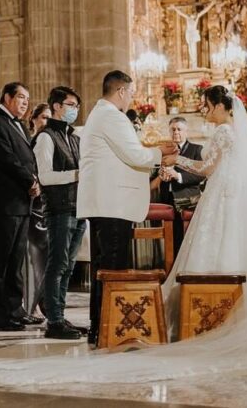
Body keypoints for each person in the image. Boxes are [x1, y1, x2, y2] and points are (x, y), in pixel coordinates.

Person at [0, 85, 247, 385]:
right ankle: (216, 314)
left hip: (221, 198)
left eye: (208, 106)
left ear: (220, 107)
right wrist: (168, 159)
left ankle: (206, 316)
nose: (205, 111)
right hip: (225, 198)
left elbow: (206, 168)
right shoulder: (227, 131)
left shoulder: (224, 132)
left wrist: (174, 160)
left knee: (214, 251)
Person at [76, 71, 178, 345]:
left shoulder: (100, 115)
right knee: (114, 268)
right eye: (131, 93)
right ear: (121, 91)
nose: (131, 98)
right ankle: (111, 328)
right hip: (112, 204)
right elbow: (134, 155)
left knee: (104, 268)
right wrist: (162, 154)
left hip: (106, 203)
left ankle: (100, 327)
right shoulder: (111, 116)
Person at [0, 82, 42, 331]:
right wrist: (30, 180)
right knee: (0, 263)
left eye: (28, 99)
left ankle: (15, 310)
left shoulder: (18, 126)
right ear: (7, 98)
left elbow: (27, 159)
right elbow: (7, 159)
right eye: (21, 97)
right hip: (4, 202)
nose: (25, 103)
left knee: (15, 262)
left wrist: (35, 181)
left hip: (20, 202)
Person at [33, 86, 88, 340]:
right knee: (58, 263)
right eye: (70, 105)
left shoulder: (75, 138)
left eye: (76, 106)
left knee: (69, 265)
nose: (74, 110)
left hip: (79, 207)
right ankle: (53, 321)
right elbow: (45, 176)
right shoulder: (46, 137)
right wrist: (77, 174)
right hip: (58, 209)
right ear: (56, 106)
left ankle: (59, 314)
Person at [149, 116, 204, 255]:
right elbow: (153, 181)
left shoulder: (196, 150)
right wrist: (161, 176)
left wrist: (177, 176)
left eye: (179, 129)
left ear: (186, 131)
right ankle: (168, 264)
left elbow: (201, 174)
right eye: (173, 129)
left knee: (185, 241)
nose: (176, 132)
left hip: (188, 199)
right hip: (166, 200)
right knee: (171, 242)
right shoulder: (163, 151)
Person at [24, 102, 51, 321]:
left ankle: (44, 302)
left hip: (47, 205)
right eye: (43, 117)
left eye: (49, 118)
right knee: (35, 258)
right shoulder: (29, 142)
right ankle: (31, 306)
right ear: (33, 119)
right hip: (33, 206)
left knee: (46, 258)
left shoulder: (49, 141)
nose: (46, 122)